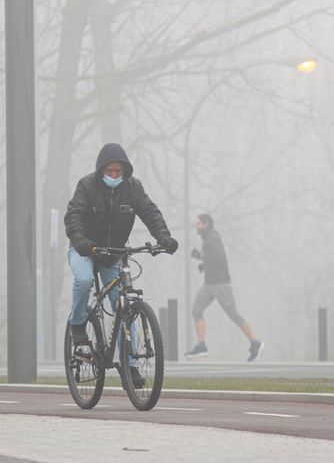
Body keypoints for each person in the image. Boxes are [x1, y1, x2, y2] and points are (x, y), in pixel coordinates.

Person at [64, 143, 178, 385]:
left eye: (118, 171)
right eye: (110, 171)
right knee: (83, 280)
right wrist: (81, 240)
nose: (114, 176)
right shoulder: (86, 186)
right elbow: (73, 216)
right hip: (85, 248)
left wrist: (163, 238)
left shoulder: (133, 188)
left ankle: (131, 365)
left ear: (125, 171)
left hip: (113, 253)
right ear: (101, 170)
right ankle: (77, 325)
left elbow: (149, 212)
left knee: (124, 305)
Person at [183, 213, 264, 362]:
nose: (196, 226)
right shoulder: (209, 238)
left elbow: (218, 257)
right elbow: (213, 257)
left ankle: (255, 342)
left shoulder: (213, 238)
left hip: (221, 284)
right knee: (196, 310)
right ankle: (201, 346)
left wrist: (202, 257)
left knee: (233, 314)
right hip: (210, 284)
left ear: (206, 224)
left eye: (198, 224)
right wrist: (202, 261)